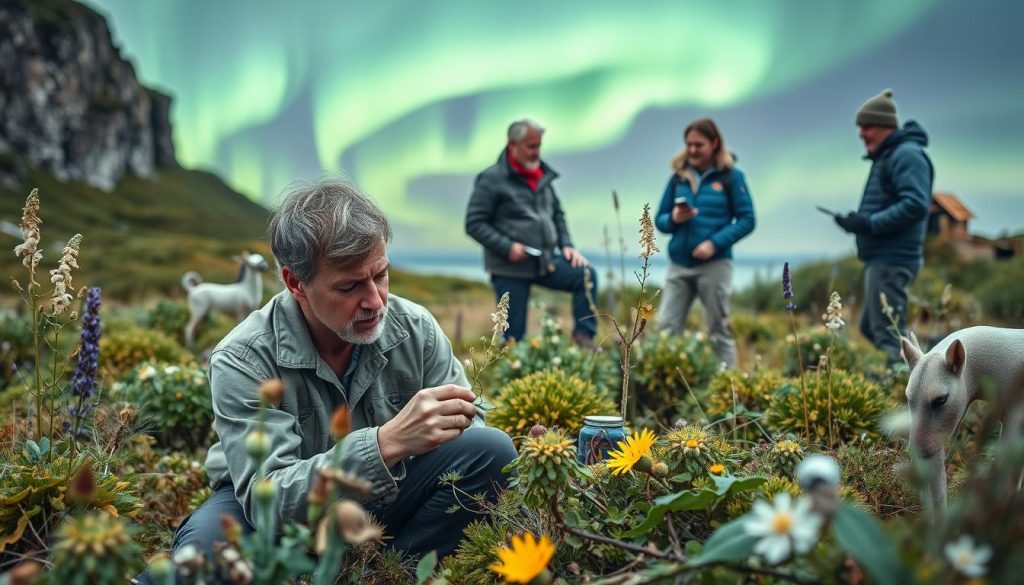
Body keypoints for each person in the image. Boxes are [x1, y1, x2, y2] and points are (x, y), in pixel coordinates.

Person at [138, 179, 516, 583]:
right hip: (270, 517)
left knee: (489, 448)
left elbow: (470, 433)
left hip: (389, 495)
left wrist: (436, 436)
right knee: (202, 556)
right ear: (295, 283)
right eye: (350, 286)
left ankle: (387, 574)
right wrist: (386, 442)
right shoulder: (242, 357)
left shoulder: (415, 329)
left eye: (381, 275)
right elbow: (269, 501)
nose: (375, 300)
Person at [465, 119, 598, 347]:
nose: (536, 152)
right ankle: (510, 375)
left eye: (539, 146)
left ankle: (584, 338)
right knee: (513, 340)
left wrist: (567, 245)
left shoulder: (542, 177)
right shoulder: (491, 179)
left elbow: (557, 215)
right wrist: (508, 248)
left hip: (545, 261)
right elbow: (474, 223)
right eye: (531, 146)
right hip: (510, 268)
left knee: (585, 275)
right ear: (512, 144)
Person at [834, 89, 933, 363]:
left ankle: (907, 396)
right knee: (872, 326)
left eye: (867, 127)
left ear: (885, 126)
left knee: (888, 334)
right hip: (882, 258)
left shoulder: (907, 155)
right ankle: (917, 372)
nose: (861, 134)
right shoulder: (889, 156)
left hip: (893, 259)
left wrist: (869, 223)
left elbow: (915, 204)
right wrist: (857, 224)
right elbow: (889, 204)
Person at [654, 118, 755, 369]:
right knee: (666, 326)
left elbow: (747, 219)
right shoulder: (678, 178)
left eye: (699, 144)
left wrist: (713, 243)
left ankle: (726, 388)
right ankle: (665, 384)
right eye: (688, 144)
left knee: (718, 328)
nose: (692, 150)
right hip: (679, 264)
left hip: (715, 264)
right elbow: (660, 220)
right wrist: (675, 219)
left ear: (714, 143)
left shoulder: (732, 177)